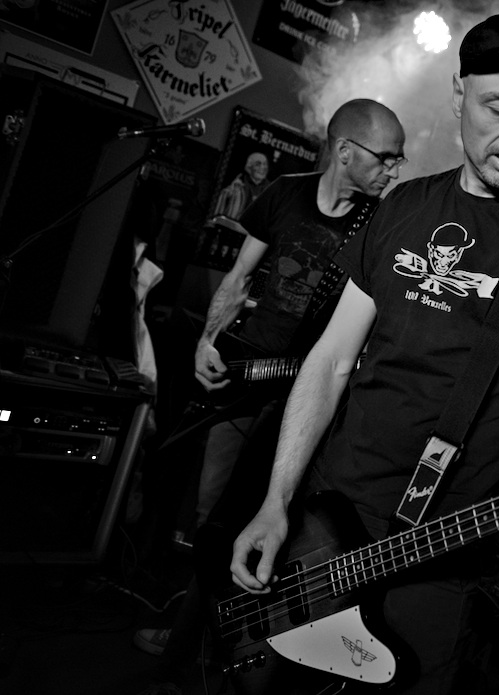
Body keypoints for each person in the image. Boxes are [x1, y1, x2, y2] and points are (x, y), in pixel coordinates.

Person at [228, 12, 499, 695]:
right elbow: (331, 361)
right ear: (459, 92)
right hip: (328, 518)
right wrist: (277, 500)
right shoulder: (404, 206)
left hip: (444, 551)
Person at [131, 99, 406, 694]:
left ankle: (226, 647)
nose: (394, 169)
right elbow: (238, 279)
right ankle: (193, 638)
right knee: (212, 517)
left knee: (267, 522)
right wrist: (208, 341)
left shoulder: (382, 225)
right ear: (345, 151)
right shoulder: (284, 194)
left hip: (302, 395)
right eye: (385, 157)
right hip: (243, 377)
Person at [212, 151, 270, 220]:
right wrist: (228, 195)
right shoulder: (238, 183)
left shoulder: (270, 188)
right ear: (249, 167)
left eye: (265, 164)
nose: (263, 168)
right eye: (258, 164)